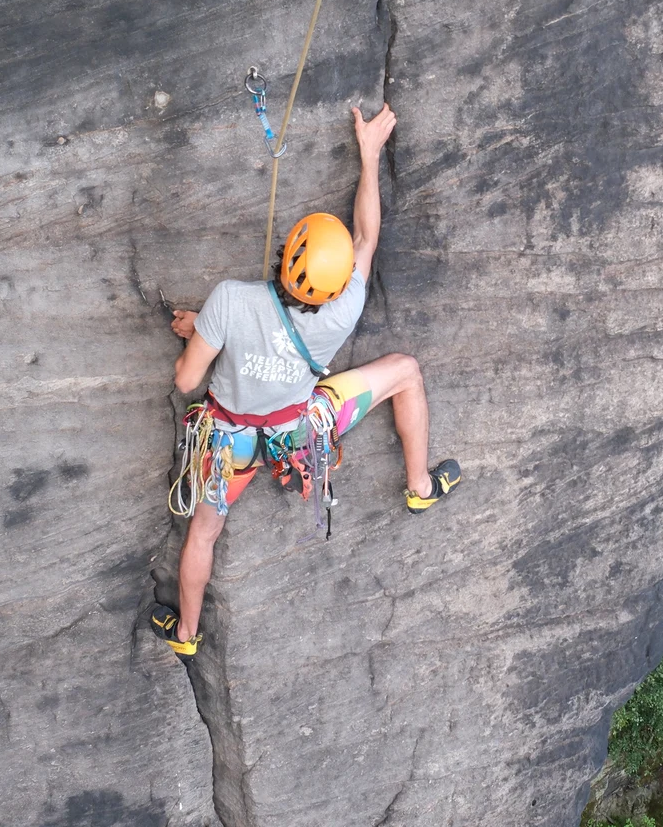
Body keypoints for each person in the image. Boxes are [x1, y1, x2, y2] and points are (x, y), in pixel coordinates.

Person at [149, 102, 461, 658]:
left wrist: (205, 330)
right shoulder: (343, 311)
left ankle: (188, 636)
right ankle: (419, 490)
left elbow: (186, 381)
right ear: (335, 286)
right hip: (299, 430)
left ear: (289, 244)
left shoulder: (231, 302)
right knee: (405, 372)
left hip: (228, 441)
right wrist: (369, 156)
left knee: (203, 534)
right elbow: (367, 237)